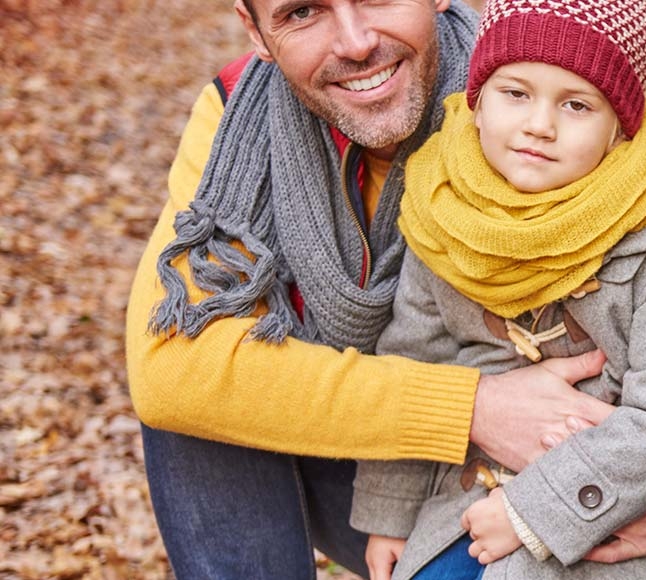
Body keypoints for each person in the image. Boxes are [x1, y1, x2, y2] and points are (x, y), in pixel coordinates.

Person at [125, 0, 618, 576]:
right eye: (304, 12)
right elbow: (170, 372)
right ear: (255, 31)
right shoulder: (238, 116)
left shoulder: (544, 78)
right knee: (200, 382)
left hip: (571, 468)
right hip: (385, 474)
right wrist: (473, 408)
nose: (356, 42)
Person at [346, 0, 646, 578]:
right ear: (477, 103)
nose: (539, 125)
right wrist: (391, 514)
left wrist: (531, 510)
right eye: (515, 94)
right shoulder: (445, 210)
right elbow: (414, 360)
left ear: (616, 131)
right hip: (467, 499)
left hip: (610, 515)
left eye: (576, 105)